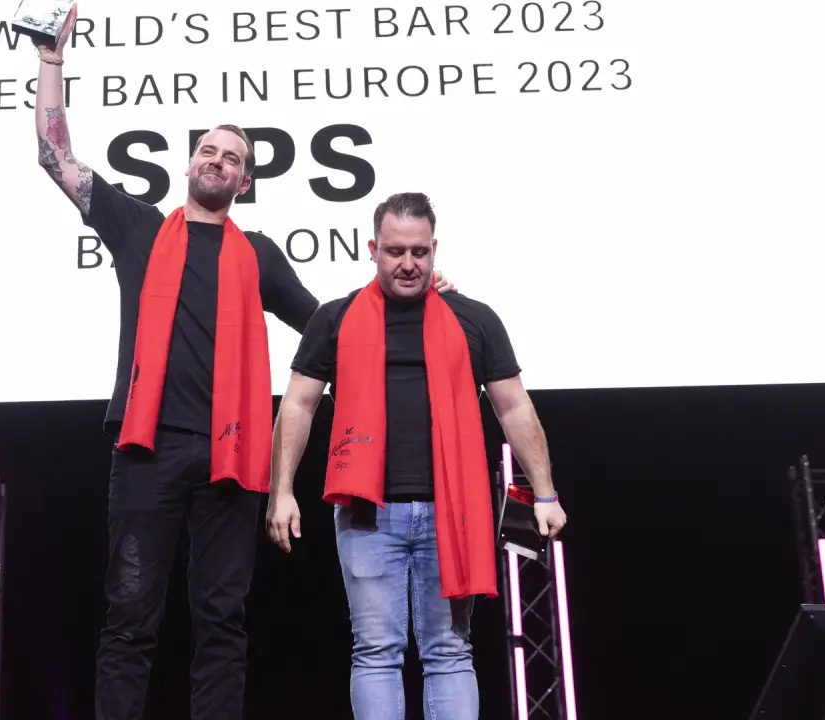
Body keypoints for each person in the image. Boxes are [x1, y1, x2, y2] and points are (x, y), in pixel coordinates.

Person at [29, 7, 456, 719]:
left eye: (232, 158)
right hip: (148, 449)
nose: (217, 161)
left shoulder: (258, 254)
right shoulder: (138, 228)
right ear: (188, 163)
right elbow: (55, 158)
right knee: (129, 616)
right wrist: (51, 61)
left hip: (232, 455)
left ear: (245, 181)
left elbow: (331, 328)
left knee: (221, 622)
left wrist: (409, 286)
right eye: (209, 150)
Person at [266, 192, 567, 719]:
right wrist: (281, 491)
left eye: (419, 252)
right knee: (376, 652)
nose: (408, 263)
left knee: (449, 652)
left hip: (453, 512)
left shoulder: (474, 319)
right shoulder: (335, 319)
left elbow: (514, 407)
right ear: (372, 250)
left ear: (434, 250)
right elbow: (298, 404)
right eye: (395, 251)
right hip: (367, 513)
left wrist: (544, 493)